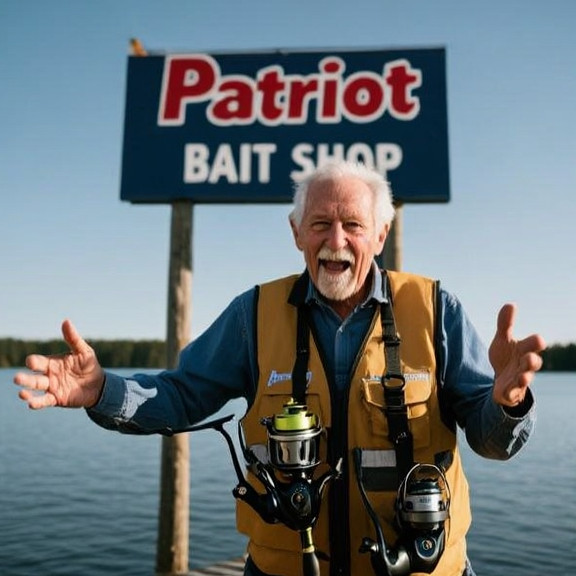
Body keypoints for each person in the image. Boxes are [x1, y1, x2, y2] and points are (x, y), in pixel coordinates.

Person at [14, 160, 546, 576]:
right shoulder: (254, 314)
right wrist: (102, 389)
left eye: (353, 225)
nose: (336, 240)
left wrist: (505, 404)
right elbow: (180, 395)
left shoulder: (435, 309)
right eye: (321, 223)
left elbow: (492, 440)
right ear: (296, 232)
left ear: (380, 235)